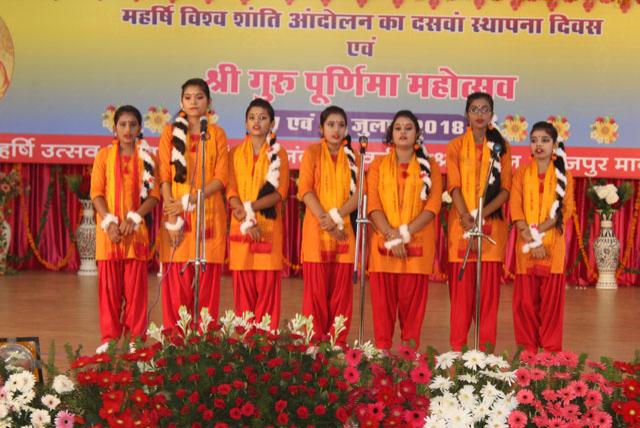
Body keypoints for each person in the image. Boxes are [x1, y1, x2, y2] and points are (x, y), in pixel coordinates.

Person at [367, 110, 442, 350]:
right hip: (384, 249)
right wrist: (391, 234)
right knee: (382, 313)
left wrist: (404, 234)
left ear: (417, 134)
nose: (403, 132)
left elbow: (433, 206)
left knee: (412, 316)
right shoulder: (378, 164)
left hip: (416, 249)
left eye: (408, 128)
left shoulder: (430, 166)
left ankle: (409, 365)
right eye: (398, 128)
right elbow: (373, 205)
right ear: (391, 133)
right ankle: (383, 363)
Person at [158, 78, 229, 328]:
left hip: (209, 216)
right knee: (176, 288)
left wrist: (189, 200)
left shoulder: (217, 134)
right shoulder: (169, 133)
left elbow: (221, 178)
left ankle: (204, 343)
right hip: (176, 218)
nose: (193, 102)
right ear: (181, 102)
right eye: (188, 97)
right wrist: (172, 215)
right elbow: (164, 177)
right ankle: (175, 342)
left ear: (209, 102)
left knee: (207, 287)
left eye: (199, 97)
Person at [446, 92, 512, 351]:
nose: (480, 114)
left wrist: (480, 216)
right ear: (467, 114)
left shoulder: (501, 147)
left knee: (487, 302)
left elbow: (505, 189)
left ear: (491, 114)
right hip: (461, 229)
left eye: (485, 109)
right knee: (461, 303)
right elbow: (453, 185)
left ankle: (485, 358)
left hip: (490, 228)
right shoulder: (455, 146)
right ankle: (458, 357)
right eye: (475, 109)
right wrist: (465, 217)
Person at [90, 105, 159, 353]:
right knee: (108, 291)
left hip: (135, 234)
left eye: (132, 125)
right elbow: (96, 193)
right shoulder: (103, 156)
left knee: (135, 292)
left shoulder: (148, 158)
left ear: (140, 128)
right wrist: (108, 221)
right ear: (115, 128)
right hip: (109, 234)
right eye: (123, 124)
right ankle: (109, 338)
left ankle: (135, 339)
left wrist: (135, 218)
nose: (127, 129)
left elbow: (153, 196)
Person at [297, 105, 359, 345]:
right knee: (315, 296)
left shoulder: (353, 157)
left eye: (341, 125)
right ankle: (313, 344)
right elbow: (305, 189)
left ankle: (337, 345)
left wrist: (336, 216)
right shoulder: (312, 152)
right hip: (316, 232)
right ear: (321, 128)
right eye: (331, 124)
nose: (336, 130)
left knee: (341, 297)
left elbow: (358, 194)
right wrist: (325, 218)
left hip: (343, 233)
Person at [510, 121, 574, 353]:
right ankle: (527, 349)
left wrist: (537, 238)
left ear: (555, 145)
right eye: (534, 140)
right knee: (525, 304)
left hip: (551, 249)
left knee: (551, 306)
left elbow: (562, 214)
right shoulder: (521, 174)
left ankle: (550, 351)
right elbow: (516, 210)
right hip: (526, 248)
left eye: (545, 140)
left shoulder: (564, 176)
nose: (539, 145)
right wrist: (530, 239)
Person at [227, 98, 289, 330]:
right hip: (242, 229)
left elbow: (279, 193)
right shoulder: (234, 153)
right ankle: (245, 345)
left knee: (267, 294)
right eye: (252, 117)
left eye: (263, 118)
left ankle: (265, 343)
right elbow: (230, 189)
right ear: (245, 122)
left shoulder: (278, 155)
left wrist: (250, 209)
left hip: (267, 230)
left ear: (271, 124)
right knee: (243, 294)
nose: (257, 122)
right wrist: (244, 216)